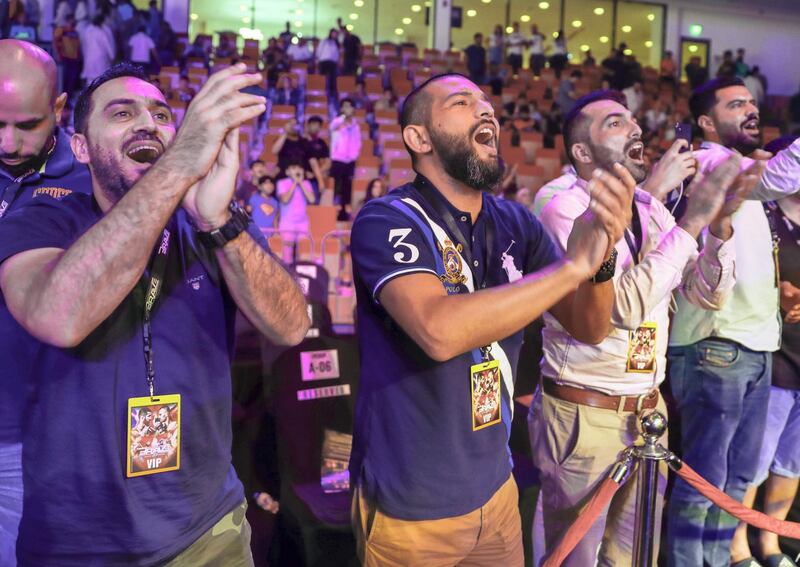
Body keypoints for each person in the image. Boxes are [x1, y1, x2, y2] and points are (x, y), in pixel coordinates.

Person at [0, 61, 309, 565]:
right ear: (80, 148)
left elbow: (292, 327)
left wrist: (219, 222)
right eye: (122, 113)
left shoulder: (209, 224)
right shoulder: (44, 218)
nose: (147, 123)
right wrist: (180, 164)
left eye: (162, 115)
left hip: (211, 531)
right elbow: (57, 314)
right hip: (78, 543)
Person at [348, 72, 632, 566]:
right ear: (419, 138)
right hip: (412, 509)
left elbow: (590, 328)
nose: (487, 112)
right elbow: (438, 331)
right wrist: (573, 266)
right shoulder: (388, 218)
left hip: (497, 492)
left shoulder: (514, 222)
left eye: (486, 104)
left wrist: (602, 253)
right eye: (461, 103)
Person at [531, 89, 756, 567]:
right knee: (574, 557)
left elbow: (708, 294)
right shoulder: (562, 206)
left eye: (633, 121)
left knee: (633, 558)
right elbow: (622, 306)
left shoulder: (650, 208)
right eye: (615, 123)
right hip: (585, 412)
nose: (635, 129)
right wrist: (692, 219)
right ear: (582, 152)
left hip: (648, 412)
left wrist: (719, 228)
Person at [666, 76, 800, 567]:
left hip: (755, 346)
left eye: (752, 102)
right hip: (714, 346)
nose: (750, 109)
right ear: (706, 121)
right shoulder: (708, 163)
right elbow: (784, 177)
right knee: (706, 479)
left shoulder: (743, 171)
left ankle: (717, 561)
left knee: (737, 481)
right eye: (735, 103)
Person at [0, 39, 91, 567]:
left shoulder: (90, 181)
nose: (7, 143)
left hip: (38, 444)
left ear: (58, 109)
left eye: (26, 125)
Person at [730, 134, 800, 567]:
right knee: (755, 462)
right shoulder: (765, 214)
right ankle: (738, 545)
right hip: (775, 357)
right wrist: (781, 293)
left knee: (791, 462)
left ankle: (770, 543)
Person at [329, 97, 360, 220]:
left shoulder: (355, 126)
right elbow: (332, 127)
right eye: (345, 106)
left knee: (347, 187)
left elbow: (358, 143)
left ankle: (345, 213)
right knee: (337, 187)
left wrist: (354, 156)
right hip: (337, 160)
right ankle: (334, 211)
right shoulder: (337, 122)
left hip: (350, 161)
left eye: (350, 106)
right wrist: (343, 117)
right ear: (341, 108)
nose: (347, 108)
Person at [277, 161, 314, 264]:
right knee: (287, 254)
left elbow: (311, 199)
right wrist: (294, 183)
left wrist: (301, 183)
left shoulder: (306, 183)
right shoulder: (282, 183)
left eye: (299, 168)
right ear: (287, 172)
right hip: (287, 223)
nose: (297, 170)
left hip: (303, 223)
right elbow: (285, 199)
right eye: (293, 168)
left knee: (302, 253)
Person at [80, 13, 115, 83]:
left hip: (89, 59)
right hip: (101, 60)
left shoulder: (87, 31)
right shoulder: (102, 32)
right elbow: (107, 45)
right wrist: (112, 56)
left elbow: (84, 45)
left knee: (90, 81)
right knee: (100, 80)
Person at [52, 12, 81, 98]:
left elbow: (77, 46)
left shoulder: (75, 32)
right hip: (65, 58)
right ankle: (63, 99)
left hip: (74, 59)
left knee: (72, 80)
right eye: (71, 20)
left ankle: (69, 98)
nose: (73, 22)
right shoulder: (61, 30)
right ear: (67, 21)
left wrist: (78, 56)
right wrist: (58, 55)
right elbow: (55, 43)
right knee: (64, 80)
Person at [316, 28, 339, 95]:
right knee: (322, 77)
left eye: (336, 34)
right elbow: (319, 51)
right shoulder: (324, 41)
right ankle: (321, 91)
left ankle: (331, 93)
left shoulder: (335, 43)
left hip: (332, 62)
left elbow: (336, 53)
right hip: (323, 61)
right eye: (333, 33)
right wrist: (318, 59)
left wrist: (336, 61)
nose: (334, 35)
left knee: (332, 78)